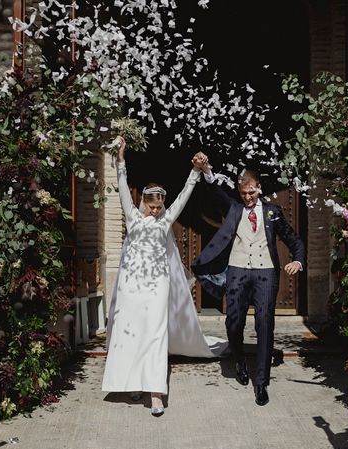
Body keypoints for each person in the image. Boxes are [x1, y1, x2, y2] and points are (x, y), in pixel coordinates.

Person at [102, 138, 226, 416]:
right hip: (132, 287)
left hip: (158, 285)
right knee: (132, 334)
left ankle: (156, 392)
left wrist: (195, 173)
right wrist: (120, 160)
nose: (156, 211)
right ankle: (134, 381)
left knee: (156, 335)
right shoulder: (133, 219)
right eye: (152, 206)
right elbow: (122, 187)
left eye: (160, 207)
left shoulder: (167, 220)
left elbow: (184, 195)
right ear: (144, 203)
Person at [192, 161, 305, 406]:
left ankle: (261, 382)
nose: (248, 197)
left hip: (266, 273)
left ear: (259, 188)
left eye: (251, 192)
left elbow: (293, 239)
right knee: (234, 322)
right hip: (238, 271)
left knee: (264, 323)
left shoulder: (273, 212)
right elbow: (215, 191)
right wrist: (206, 170)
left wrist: (298, 261)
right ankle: (240, 361)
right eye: (243, 193)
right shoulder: (233, 209)